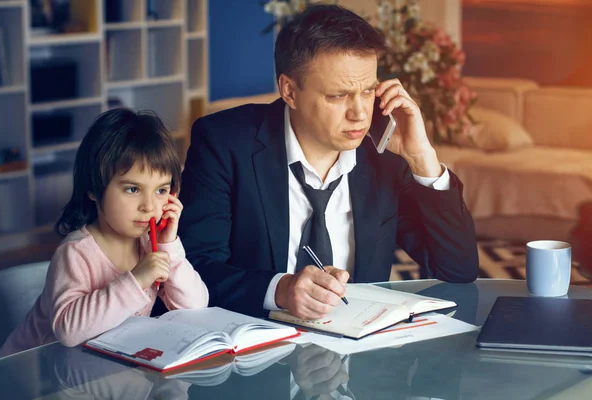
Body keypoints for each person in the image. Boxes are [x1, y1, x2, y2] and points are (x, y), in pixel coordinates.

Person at [179, 4, 478, 320]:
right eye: (338, 96)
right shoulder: (223, 142)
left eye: (367, 91)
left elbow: (456, 268)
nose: (359, 113)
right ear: (290, 91)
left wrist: (422, 159)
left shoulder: (385, 155)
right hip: (253, 346)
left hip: (358, 352)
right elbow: (193, 270)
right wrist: (280, 290)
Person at [0, 109, 208, 359]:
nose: (149, 206)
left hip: (92, 369)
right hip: (29, 374)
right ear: (93, 188)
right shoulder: (76, 252)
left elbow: (195, 306)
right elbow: (69, 331)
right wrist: (137, 279)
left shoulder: (151, 246)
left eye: (161, 190)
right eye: (132, 189)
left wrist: (168, 246)